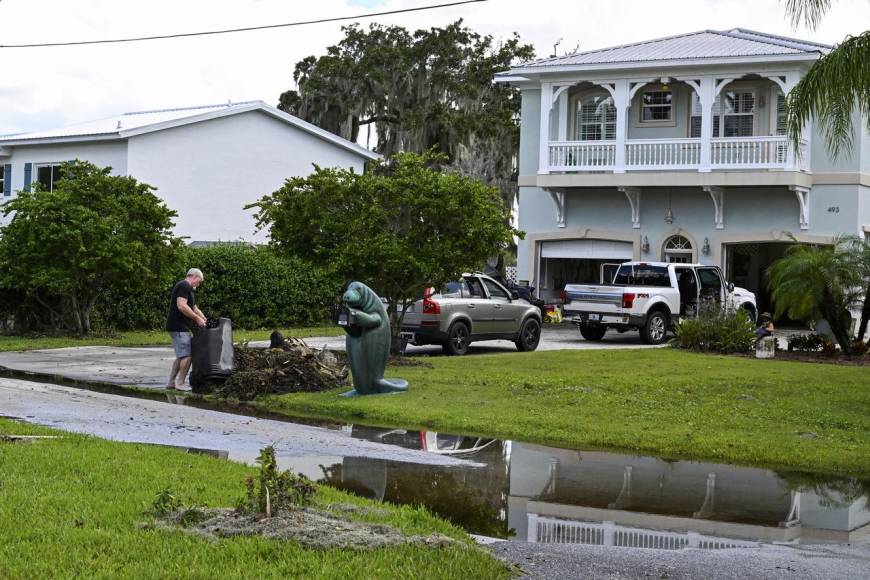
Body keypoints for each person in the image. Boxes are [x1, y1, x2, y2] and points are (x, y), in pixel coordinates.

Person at [166, 268, 207, 390]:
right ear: (193, 276)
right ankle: (180, 383)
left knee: (181, 355)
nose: (198, 285)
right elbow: (181, 306)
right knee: (187, 355)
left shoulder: (188, 290)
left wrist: (204, 318)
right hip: (178, 326)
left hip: (178, 326)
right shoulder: (184, 285)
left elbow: (193, 307)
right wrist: (196, 319)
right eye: (198, 282)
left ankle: (172, 383)